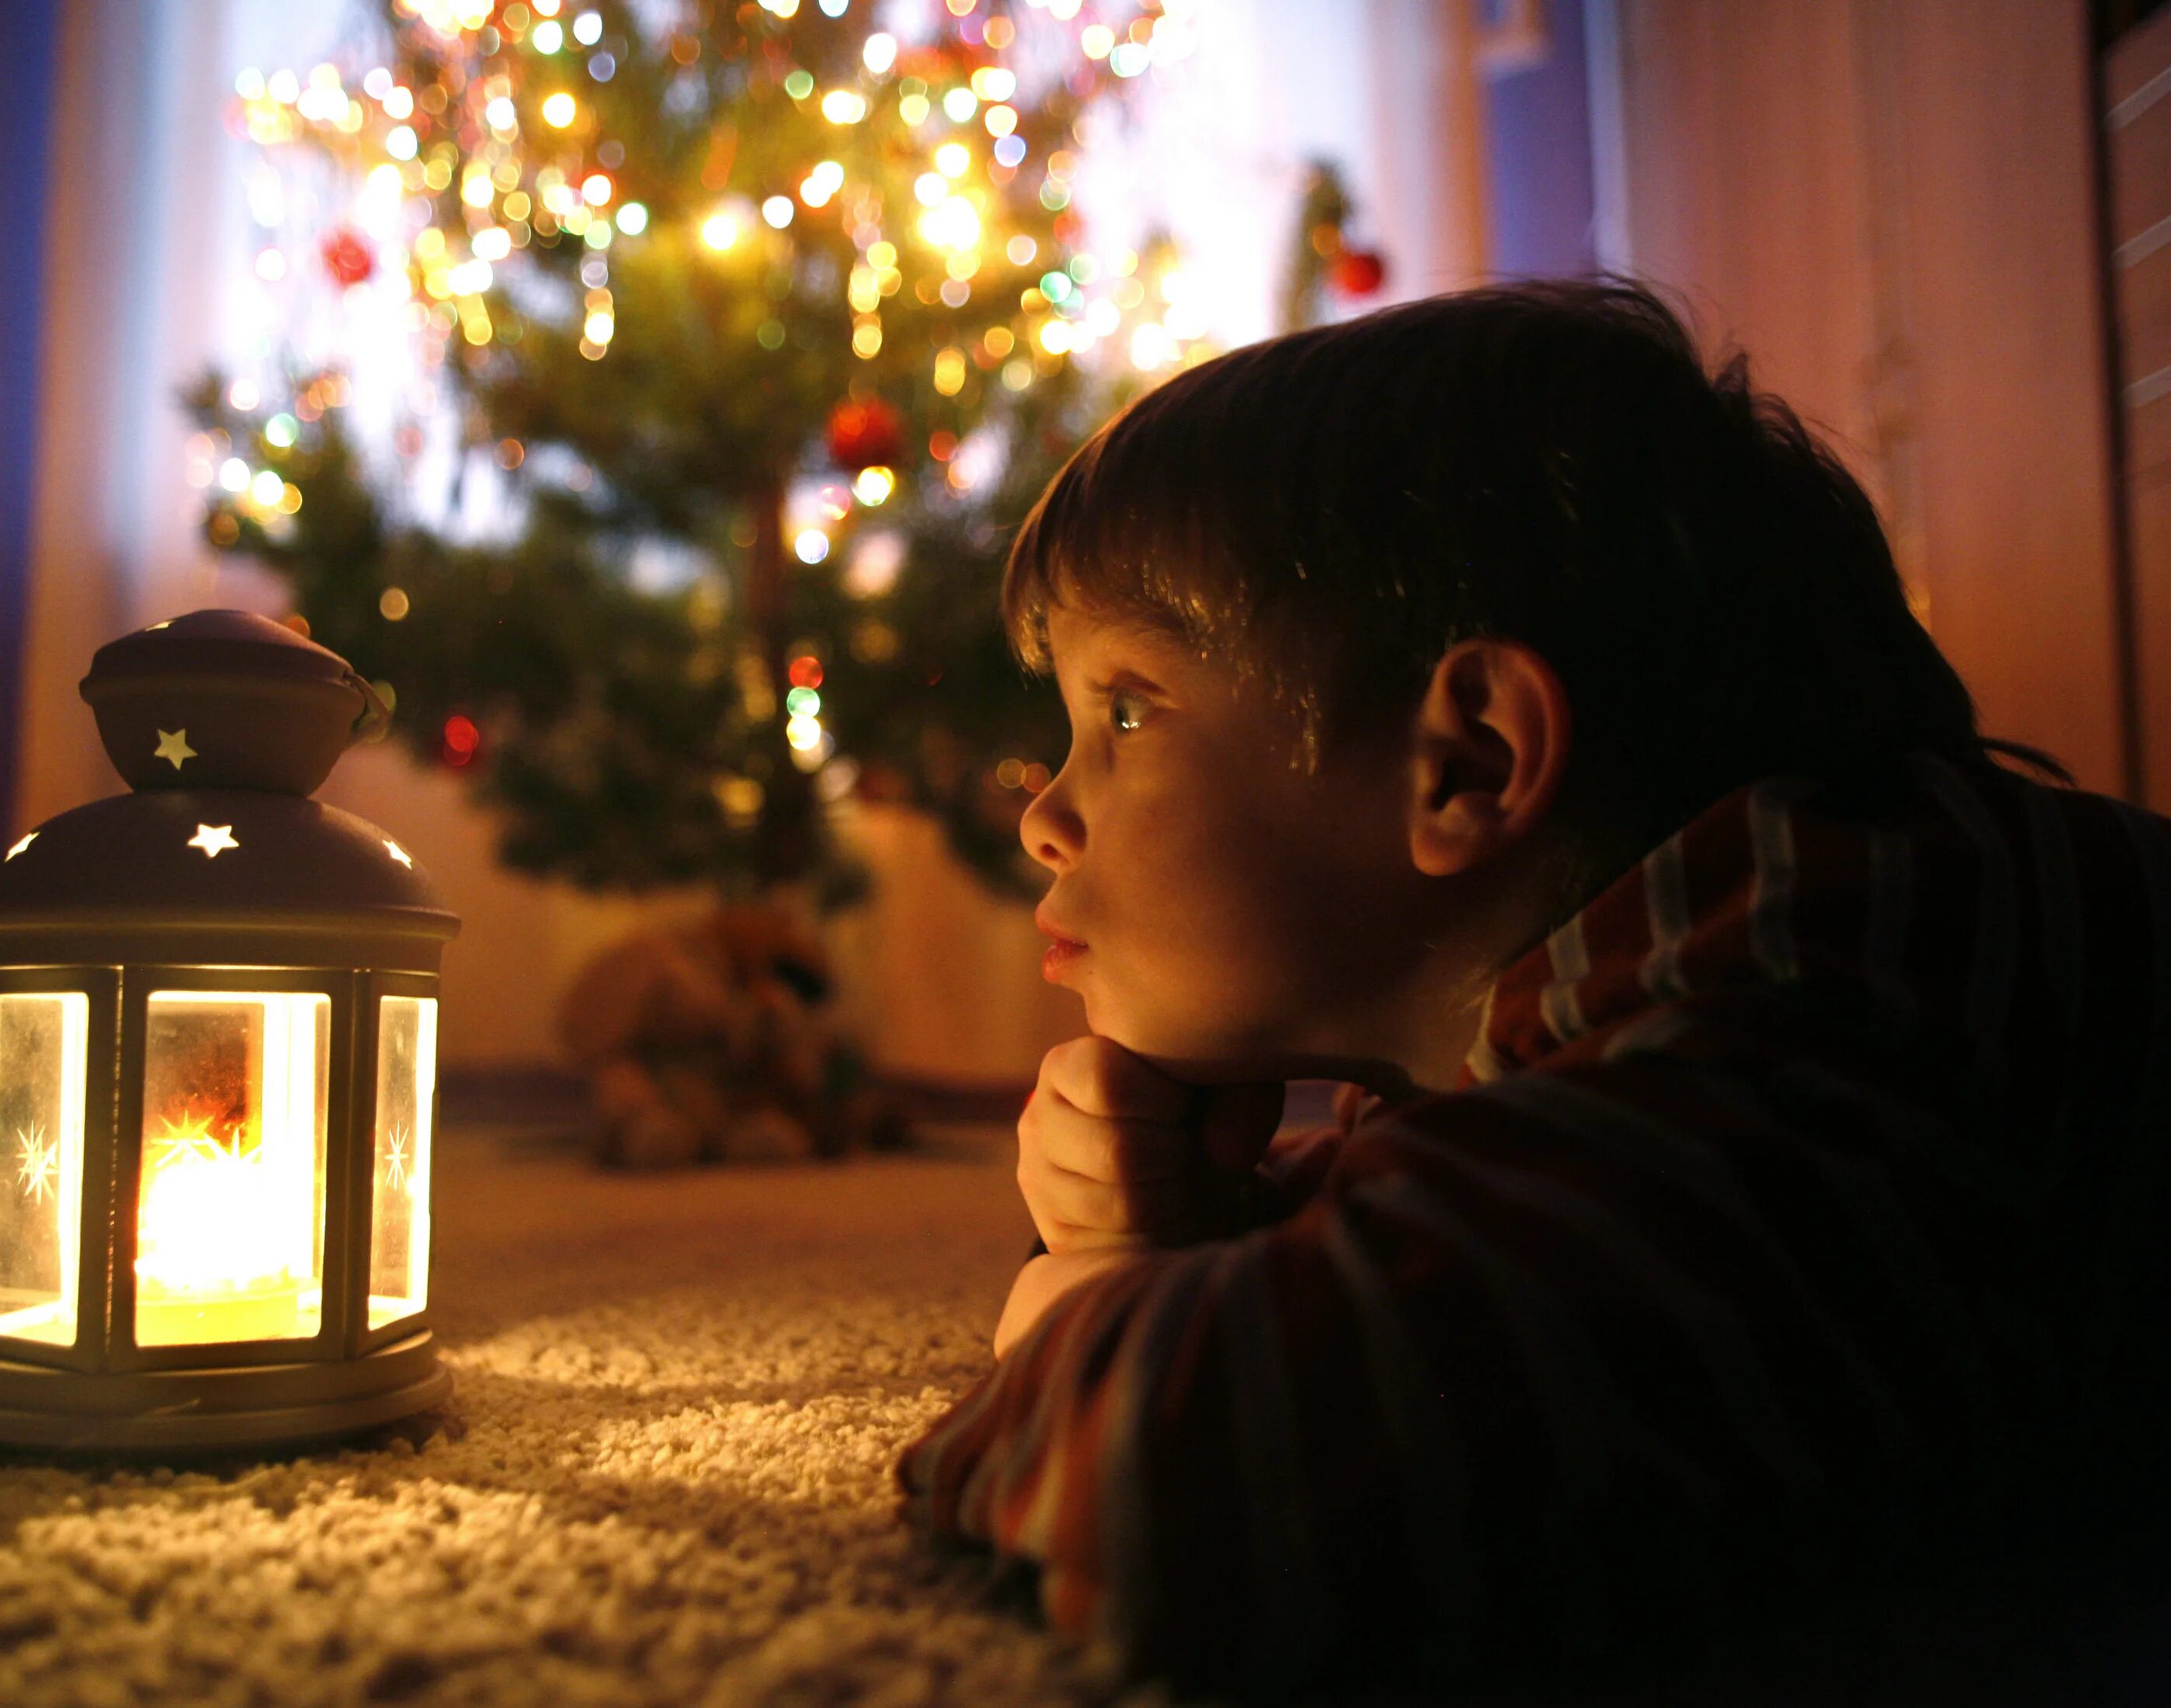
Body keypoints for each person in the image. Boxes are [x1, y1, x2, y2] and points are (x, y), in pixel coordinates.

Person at [892, 281, 2171, 1702]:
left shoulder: (1798, 993)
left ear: (1476, 763)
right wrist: (1202, 1231)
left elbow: (1216, 1479)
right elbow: (1485, 1247)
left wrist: (1088, 1307)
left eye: (1124, 710)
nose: (1043, 815)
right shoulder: (1690, 974)